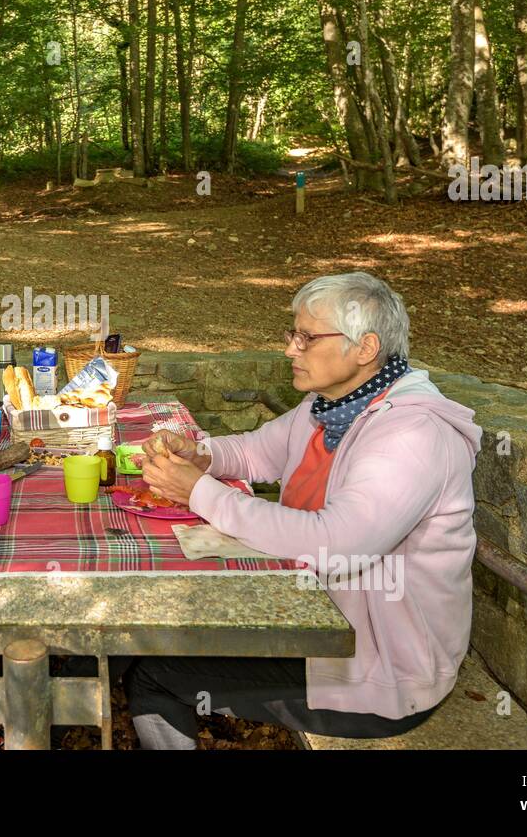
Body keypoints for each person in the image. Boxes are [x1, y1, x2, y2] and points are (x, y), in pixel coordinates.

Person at [127, 271, 483, 748]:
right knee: (150, 628)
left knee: (154, 674)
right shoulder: (332, 404)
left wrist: (198, 492)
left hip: (378, 670)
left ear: (365, 347)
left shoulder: (411, 434)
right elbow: (255, 452)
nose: (290, 349)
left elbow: (338, 545)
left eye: (306, 338)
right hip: (314, 616)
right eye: (293, 335)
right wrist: (199, 454)